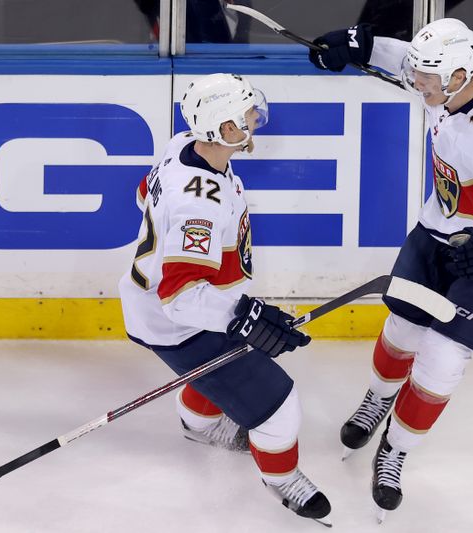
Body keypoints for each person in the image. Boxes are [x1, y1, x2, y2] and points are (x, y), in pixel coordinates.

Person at [309, 19, 473, 522]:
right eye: (419, 75)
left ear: (459, 75)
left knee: (442, 362)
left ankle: (396, 448)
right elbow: (409, 59)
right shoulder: (445, 77)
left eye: (427, 78)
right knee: (402, 327)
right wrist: (361, 45)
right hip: (439, 230)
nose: (416, 83)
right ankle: (377, 399)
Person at [118, 73, 331, 526]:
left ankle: (199, 427)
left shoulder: (183, 146)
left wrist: (241, 315)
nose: (257, 117)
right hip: (180, 323)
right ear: (225, 129)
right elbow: (179, 298)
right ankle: (284, 479)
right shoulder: (201, 204)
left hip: (155, 307)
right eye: (247, 114)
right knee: (278, 404)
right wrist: (245, 316)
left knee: (221, 369)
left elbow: (144, 193)